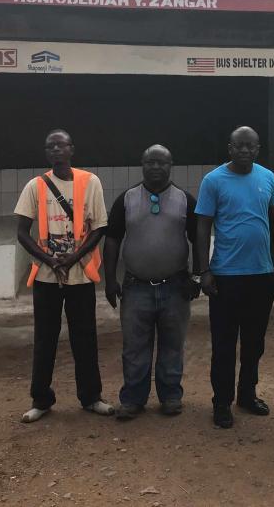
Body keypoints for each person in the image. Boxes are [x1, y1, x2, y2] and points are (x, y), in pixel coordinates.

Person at [14, 129, 114, 422]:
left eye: (61, 145)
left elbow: (99, 228)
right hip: (46, 277)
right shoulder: (36, 186)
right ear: (47, 153)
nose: (56, 149)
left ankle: (91, 397)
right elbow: (22, 232)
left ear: (72, 149)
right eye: (50, 146)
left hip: (80, 275)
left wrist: (73, 258)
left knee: (85, 337)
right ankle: (41, 399)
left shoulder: (90, 182)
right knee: (45, 338)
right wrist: (49, 260)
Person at [195, 126, 274, 429]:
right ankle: (221, 403)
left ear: (258, 149)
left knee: (254, 342)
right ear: (229, 148)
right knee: (223, 344)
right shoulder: (213, 181)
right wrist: (204, 270)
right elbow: (202, 226)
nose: (245, 151)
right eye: (239, 146)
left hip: (261, 274)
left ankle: (247, 394)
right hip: (225, 276)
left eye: (251, 146)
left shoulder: (268, 177)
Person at [103, 145, 202, 420]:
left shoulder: (186, 200)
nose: (156, 167)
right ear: (142, 165)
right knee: (134, 348)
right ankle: (133, 399)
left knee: (173, 345)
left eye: (162, 162)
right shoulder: (126, 199)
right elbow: (111, 240)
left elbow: (199, 239)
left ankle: (171, 396)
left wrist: (196, 275)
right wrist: (110, 280)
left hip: (175, 286)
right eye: (150, 162)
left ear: (171, 165)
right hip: (136, 288)